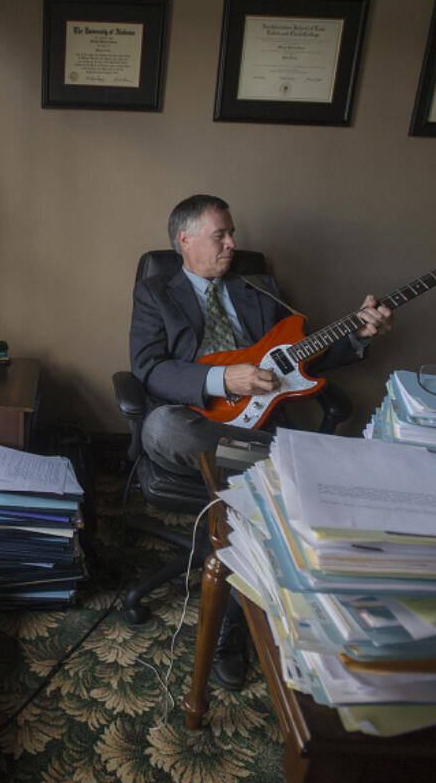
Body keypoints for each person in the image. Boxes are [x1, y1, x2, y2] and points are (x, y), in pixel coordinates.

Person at [129, 193, 394, 689]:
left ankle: (233, 628)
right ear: (184, 241)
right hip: (194, 425)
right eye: (220, 236)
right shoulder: (156, 292)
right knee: (162, 427)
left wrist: (360, 335)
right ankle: (298, 467)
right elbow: (149, 371)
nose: (233, 244)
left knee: (248, 497)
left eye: (232, 234)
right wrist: (224, 382)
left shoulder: (259, 288)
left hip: (255, 438)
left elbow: (304, 361)